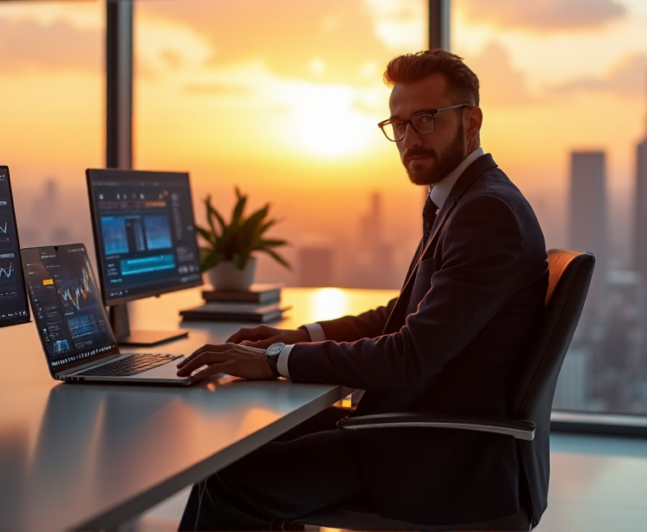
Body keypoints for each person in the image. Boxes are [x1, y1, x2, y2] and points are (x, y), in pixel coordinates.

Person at [176, 49, 549, 531]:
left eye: (425, 120)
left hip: (439, 456)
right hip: (416, 429)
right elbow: (405, 314)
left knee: (231, 477)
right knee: (232, 451)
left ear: (471, 121)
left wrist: (275, 361)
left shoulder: (485, 213)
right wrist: (298, 338)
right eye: (399, 125)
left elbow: (410, 356)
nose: (409, 139)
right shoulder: (464, 199)